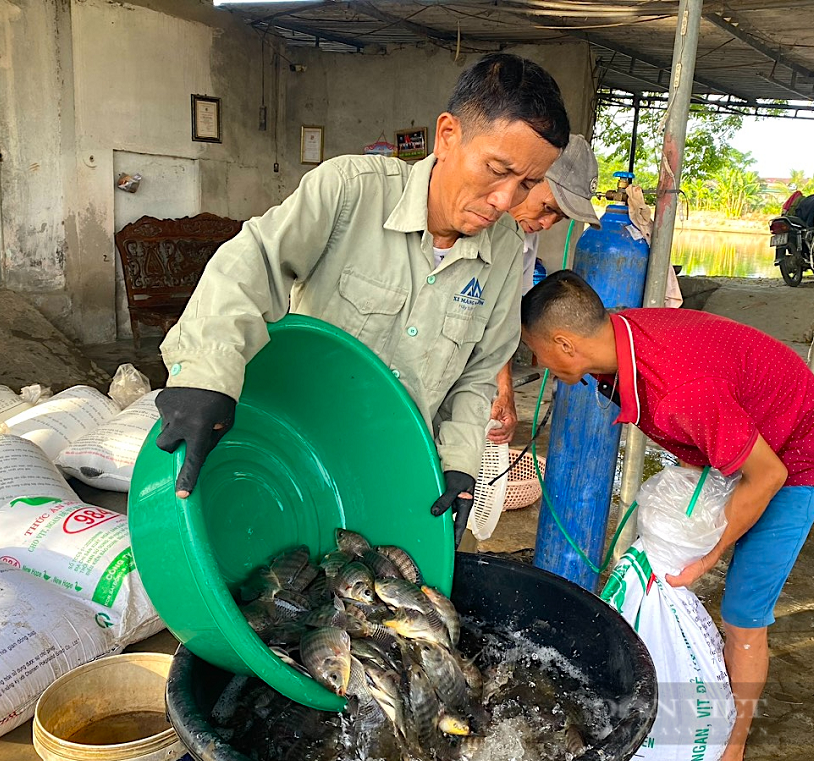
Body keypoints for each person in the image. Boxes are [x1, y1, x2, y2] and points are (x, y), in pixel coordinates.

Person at [156, 54, 570, 544]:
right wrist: (205, 376)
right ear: (447, 135)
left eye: (526, 184)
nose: (505, 200)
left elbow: (478, 373)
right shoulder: (350, 192)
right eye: (497, 170)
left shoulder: (503, 253)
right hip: (288, 453)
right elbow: (253, 264)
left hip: (387, 475)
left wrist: (460, 461)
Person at [519, 271, 814, 761]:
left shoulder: (679, 389)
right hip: (745, 434)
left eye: (539, 354)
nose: (540, 366)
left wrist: (711, 554)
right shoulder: (620, 345)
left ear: (566, 342)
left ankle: (731, 754)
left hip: (796, 453)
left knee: (743, 616)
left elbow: (768, 474)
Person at [488, 134, 601, 445]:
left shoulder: (524, 237)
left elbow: (504, 315)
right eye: (547, 207)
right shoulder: (471, 218)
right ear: (529, 176)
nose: (548, 223)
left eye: (559, 217)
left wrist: (505, 390)